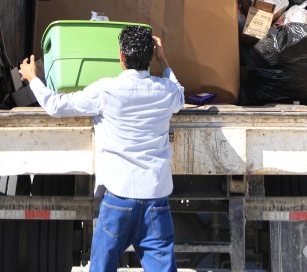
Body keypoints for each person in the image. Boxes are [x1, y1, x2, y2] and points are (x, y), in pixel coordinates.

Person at [19, 25, 184, 272]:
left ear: (121, 57)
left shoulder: (106, 90)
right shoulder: (166, 91)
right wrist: (164, 59)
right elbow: (180, 93)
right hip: (156, 198)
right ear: (151, 57)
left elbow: (56, 106)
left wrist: (33, 79)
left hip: (119, 199)